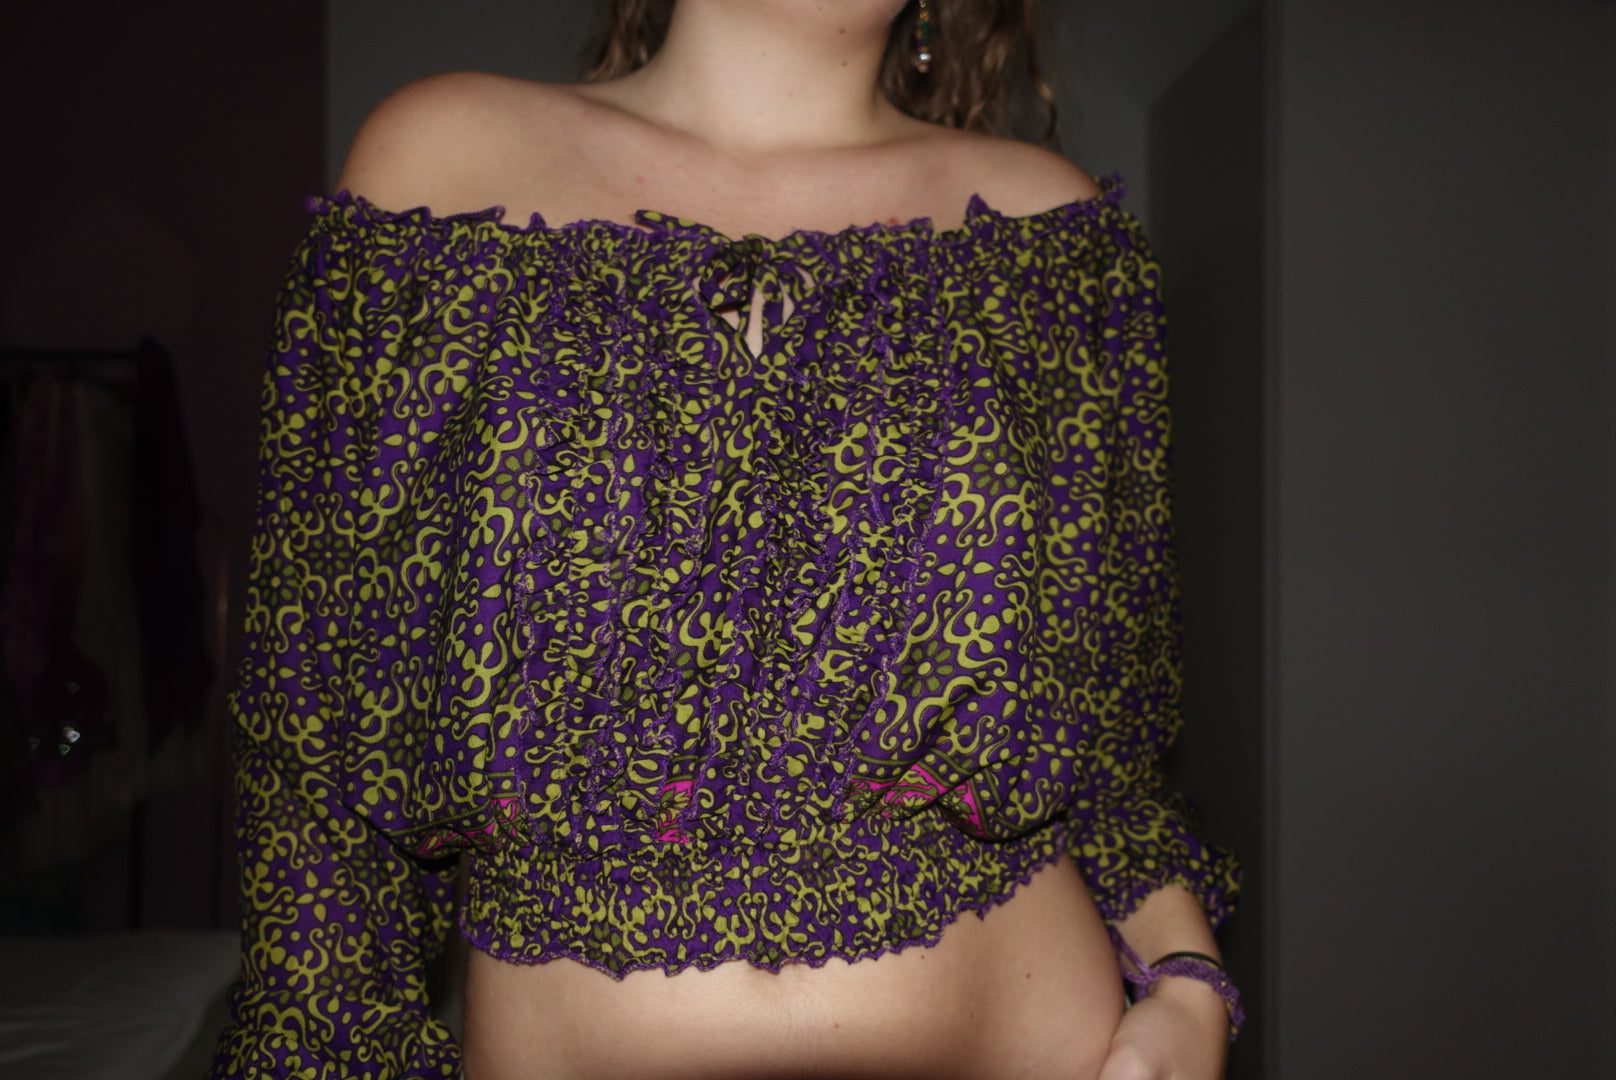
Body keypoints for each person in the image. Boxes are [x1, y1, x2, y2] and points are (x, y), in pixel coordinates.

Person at [207, 1, 1243, 1077]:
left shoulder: (1050, 235)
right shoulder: (441, 164)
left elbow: (1107, 746)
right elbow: (315, 746)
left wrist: (1185, 981)